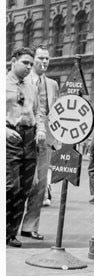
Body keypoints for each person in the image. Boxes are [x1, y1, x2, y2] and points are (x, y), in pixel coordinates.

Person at [20, 45, 60, 240]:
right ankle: (10, 226)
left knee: (41, 185)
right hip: (23, 138)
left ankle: (29, 226)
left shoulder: (52, 84)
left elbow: (55, 113)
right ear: (32, 59)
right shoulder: (22, 80)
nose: (44, 62)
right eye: (41, 58)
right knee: (18, 184)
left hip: (44, 142)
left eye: (47, 59)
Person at [6, 47, 38, 247]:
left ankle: (10, 234)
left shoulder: (31, 85)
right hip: (9, 136)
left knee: (24, 189)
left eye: (31, 64)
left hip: (29, 138)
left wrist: (40, 130)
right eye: (25, 62)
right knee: (11, 187)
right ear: (13, 61)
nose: (28, 67)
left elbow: (38, 111)